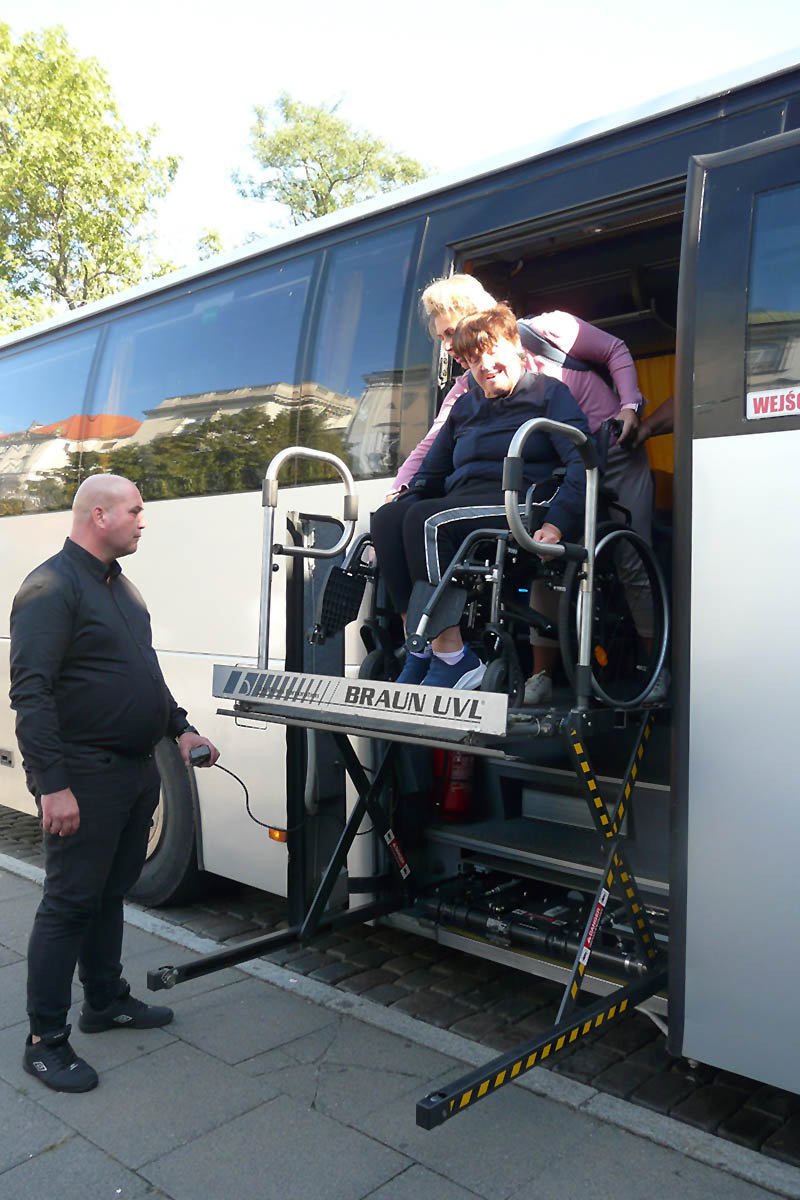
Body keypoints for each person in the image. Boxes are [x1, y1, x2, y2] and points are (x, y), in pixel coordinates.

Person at [9, 474, 219, 1093]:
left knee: (109, 894)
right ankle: (44, 1041)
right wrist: (52, 785)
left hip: (135, 772)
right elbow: (31, 693)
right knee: (69, 902)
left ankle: (103, 1000)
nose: (142, 521)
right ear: (98, 516)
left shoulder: (122, 589)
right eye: (135, 510)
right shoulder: (50, 588)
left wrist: (180, 728)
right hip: (84, 775)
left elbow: (145, 674)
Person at [393, 275, 654, 704]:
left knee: (629, 561)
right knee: (400, 515)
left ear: (507, 337)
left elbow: (613, 353)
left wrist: (629, 406)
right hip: (542, 475)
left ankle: (651, 664)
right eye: (457, 347)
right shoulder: (468, 391)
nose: (454, 349)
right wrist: (402, 489)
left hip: (611, 447)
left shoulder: (550, 349)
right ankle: (428, 648)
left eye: (454, 335)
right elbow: (433, 445)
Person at [371, 304, 590, 689]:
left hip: (522, 501)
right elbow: (431, 474)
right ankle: (422, 646)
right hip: (465, 500)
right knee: (388, 518)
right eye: (473, 359)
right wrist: (402, 502)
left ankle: (453, 657)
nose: (485, 365)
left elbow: (582, 463)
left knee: (427, 520)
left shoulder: (548, 393)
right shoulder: (466, 406)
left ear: (516, 346)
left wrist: (558, 523)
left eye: (492, 351)